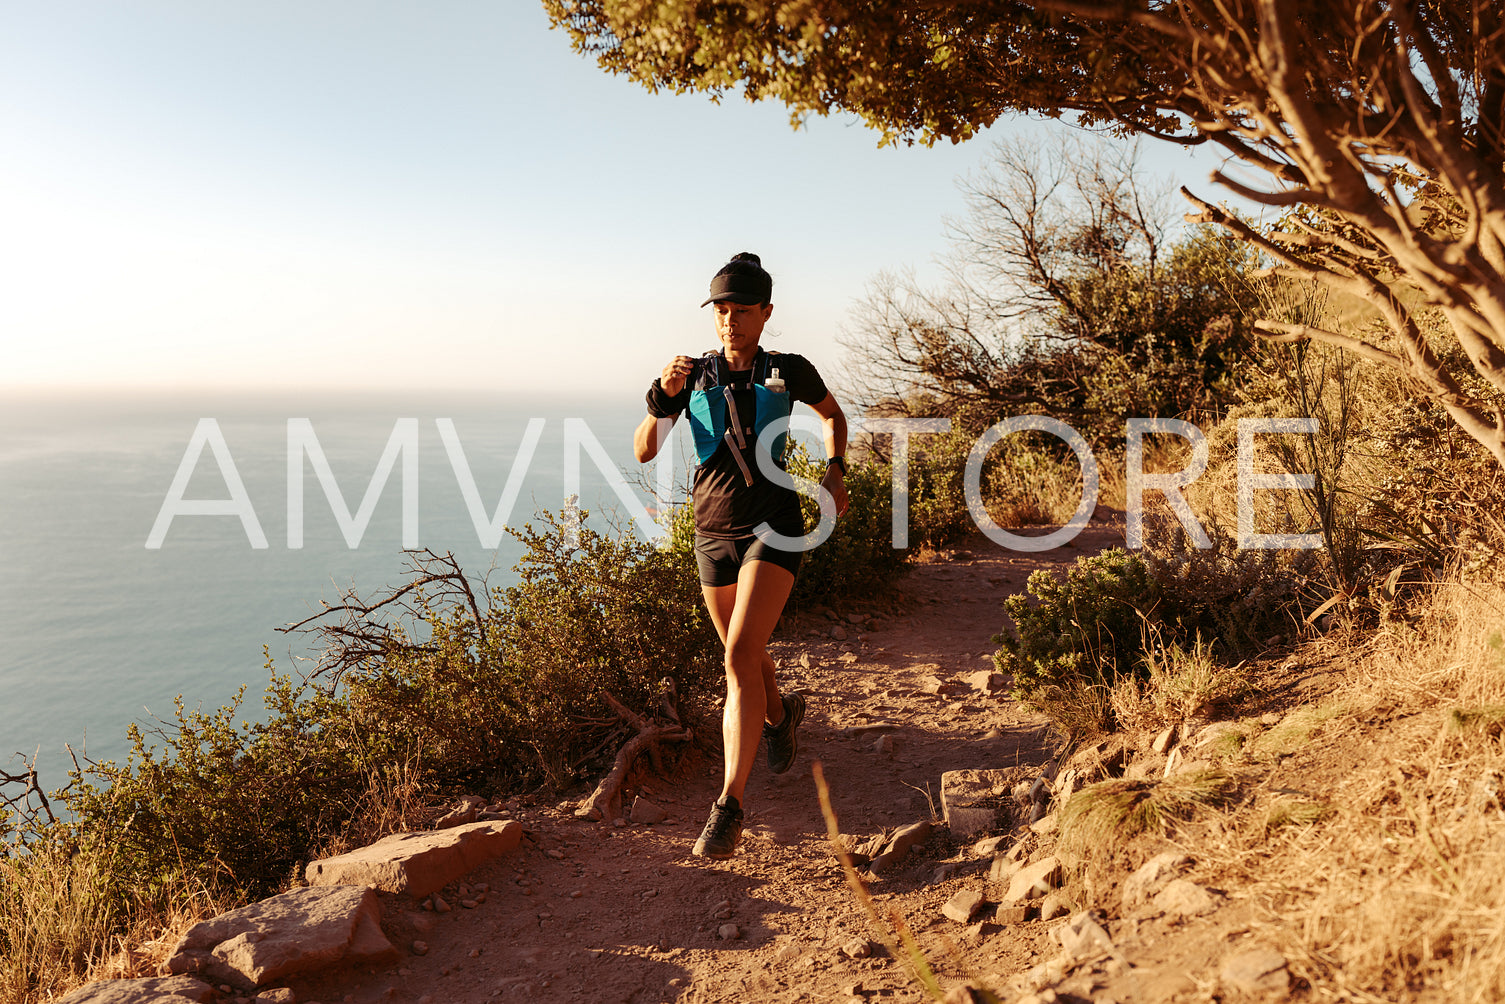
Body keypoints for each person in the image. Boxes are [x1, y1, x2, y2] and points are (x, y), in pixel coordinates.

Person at [634, 252, 849, 859]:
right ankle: (781, 718)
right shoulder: (689, 375)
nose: (729, 321)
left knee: (737, 654)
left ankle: (728, 804)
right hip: (710, 533)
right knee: (748, 660)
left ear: (766, 313)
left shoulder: (788, 368)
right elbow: (645, 450)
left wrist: (836, 471)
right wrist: (661, 397)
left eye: (742, 311)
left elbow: (833, 415)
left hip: (774, 527)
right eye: (722, 311)